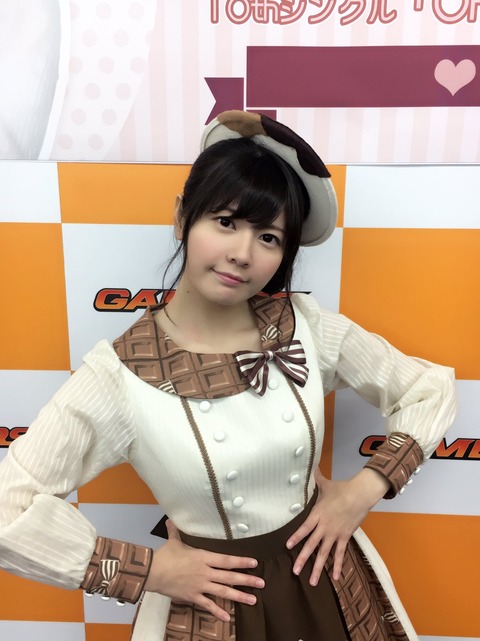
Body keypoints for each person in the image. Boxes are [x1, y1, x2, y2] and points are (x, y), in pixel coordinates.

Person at [0, 111, 457, 641]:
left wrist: (363, 490)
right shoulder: (117, 375)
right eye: (225, 222)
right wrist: (149, 570)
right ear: (182, 218)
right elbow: (9, 509)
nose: (242, 254)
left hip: (326, 576)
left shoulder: (305, 327)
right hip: (211, 606)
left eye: (269, 237)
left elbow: (429, 389)